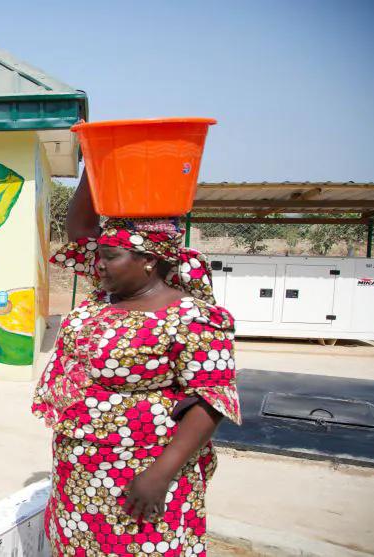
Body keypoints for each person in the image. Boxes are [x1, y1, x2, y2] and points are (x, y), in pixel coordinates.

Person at [32, 172, 241, 557]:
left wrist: (161, 474)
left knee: (140, 547)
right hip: (79, 471)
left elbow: (213, 399)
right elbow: (79, 227)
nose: (98, 264)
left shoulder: (190, 317)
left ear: (148, 260)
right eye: (97, 255)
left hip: (141, 470)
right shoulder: (105, 297)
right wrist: (96, 166)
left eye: (109, 257)